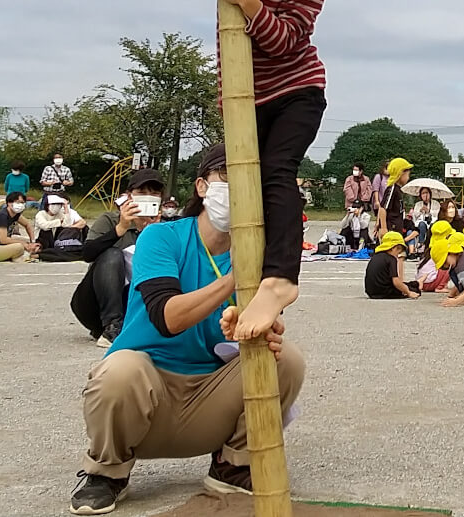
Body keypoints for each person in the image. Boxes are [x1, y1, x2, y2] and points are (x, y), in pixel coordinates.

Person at [69, 147, 306, 514]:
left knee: (285, 358)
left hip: (208, 396)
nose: (239, 190)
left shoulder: (261, 253)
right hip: (147, 391)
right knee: (121, 370)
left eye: (250, 182)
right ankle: (107, 472)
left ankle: (232, 465)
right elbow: (167, 317)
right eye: (227, 178)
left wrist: (256, 327)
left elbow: (251, 322)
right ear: (201, 186)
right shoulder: (162, 237)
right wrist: (234, 279)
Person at [164, 0, 331, 344]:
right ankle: (250, 277)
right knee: (246, 184)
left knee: (278, 170)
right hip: (244, 98)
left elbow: (286, 42)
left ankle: (281, 279)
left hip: (298, 89)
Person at [72, 169, 168, 347]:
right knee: (112, 254)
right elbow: (87, 253)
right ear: (129, 196)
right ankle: (112, 326)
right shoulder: (109, 220)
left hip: (140, 304)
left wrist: (153, 233)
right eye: (141, 193)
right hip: (97, 302)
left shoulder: (167, 228)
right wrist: (121, 228)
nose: (148, 197)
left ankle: (134, 326)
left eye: (154, 193)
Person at [0, 193, 39, 263]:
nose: (20, 205)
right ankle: (23, 256)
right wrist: (24, 244)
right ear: (9, 203)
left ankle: (25, 254)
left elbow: (27, 225)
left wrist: (32, 241)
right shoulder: (2, 216)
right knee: (19, 247)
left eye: (22, 202)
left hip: (0, 246)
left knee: (22, 240)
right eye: (18, 202)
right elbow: (3, 240)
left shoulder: (15, 215)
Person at [364, 231, 418, 299]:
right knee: (414, 289)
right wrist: (408, 292)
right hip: (385, 292)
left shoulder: (375, 256)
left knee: (412, 284)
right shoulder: (391, 259)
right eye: (399, 251)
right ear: (394, 248)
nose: (398, 254)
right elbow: (396, 281)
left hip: (371, 292)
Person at [37, 196, 90, 262]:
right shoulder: (41, 214)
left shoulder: (60, 214)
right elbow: (44, 225)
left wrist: (66, 210)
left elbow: (66, 225)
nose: (56, 206)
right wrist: (59, 222)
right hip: (43, 239)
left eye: (59, 204)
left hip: (55, 239)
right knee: (47, 231)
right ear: (48, 205)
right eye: (54, 204)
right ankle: (44, 252)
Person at [375, 157, 411, 237]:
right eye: (407, 174)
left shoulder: (399, 189)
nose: (408, 177)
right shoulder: (392, 188)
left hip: (397, 229)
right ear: (400, 173)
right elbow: (383, 208)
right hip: (391, 229)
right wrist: (383, 228)